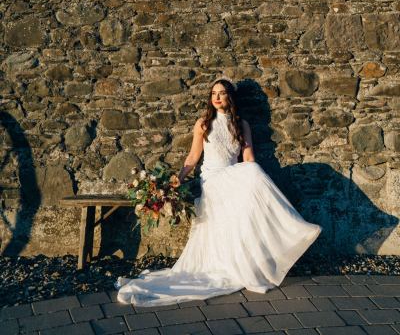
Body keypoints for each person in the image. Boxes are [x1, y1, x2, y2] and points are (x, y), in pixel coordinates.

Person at [116, 76, 322, 307]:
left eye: (222, 93)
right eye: (214, 93)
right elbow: (194, 156)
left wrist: (256, 181)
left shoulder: (241, 125)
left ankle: (288, 230)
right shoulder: (203, 123)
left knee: (253, 174)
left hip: (233, 175)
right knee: (250, 176)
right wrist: (179, 178)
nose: (217, 97)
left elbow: (248, 157)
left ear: (230, 97)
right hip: (213, 179)